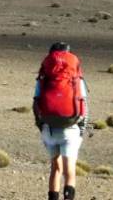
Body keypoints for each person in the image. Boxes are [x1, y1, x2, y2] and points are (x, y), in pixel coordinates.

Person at [32, 42, 89, 200]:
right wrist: (81, 130)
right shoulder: (76, 77)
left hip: (48, 129)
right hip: (70, 128)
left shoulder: (44, 75)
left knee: (55, 168)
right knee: (69, 170)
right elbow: (83, 104)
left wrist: (42, 126)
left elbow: (36, 102)